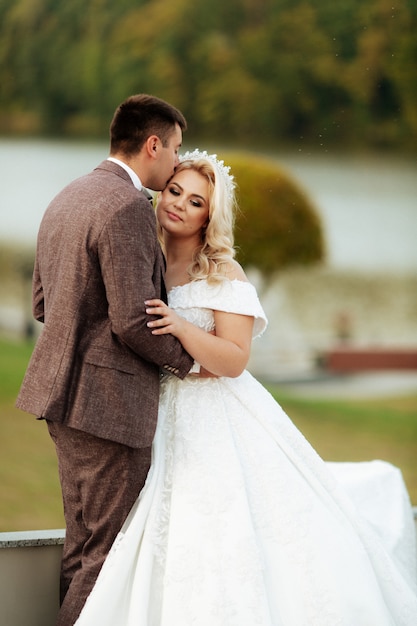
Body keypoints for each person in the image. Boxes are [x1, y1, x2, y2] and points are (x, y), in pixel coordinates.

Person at [76, 150, 417, 625]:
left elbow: (234, 360)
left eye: (196, 202)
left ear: (208, 216)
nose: (179, 205)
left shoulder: (221, 272)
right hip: (158, 413)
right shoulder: (142, 259)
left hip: (217, 414)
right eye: (174, 192)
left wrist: (179, 325)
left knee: (221, 520)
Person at [15, 94, 196, 626]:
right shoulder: (126, 208)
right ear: (153, 144)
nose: (177, 162)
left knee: (82, 547)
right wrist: (191, 364)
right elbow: (133, 322)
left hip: (63, 401)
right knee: (106, 555)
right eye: (176, 149)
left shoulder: (69, 195)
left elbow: (43, 304)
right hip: (110, 412)